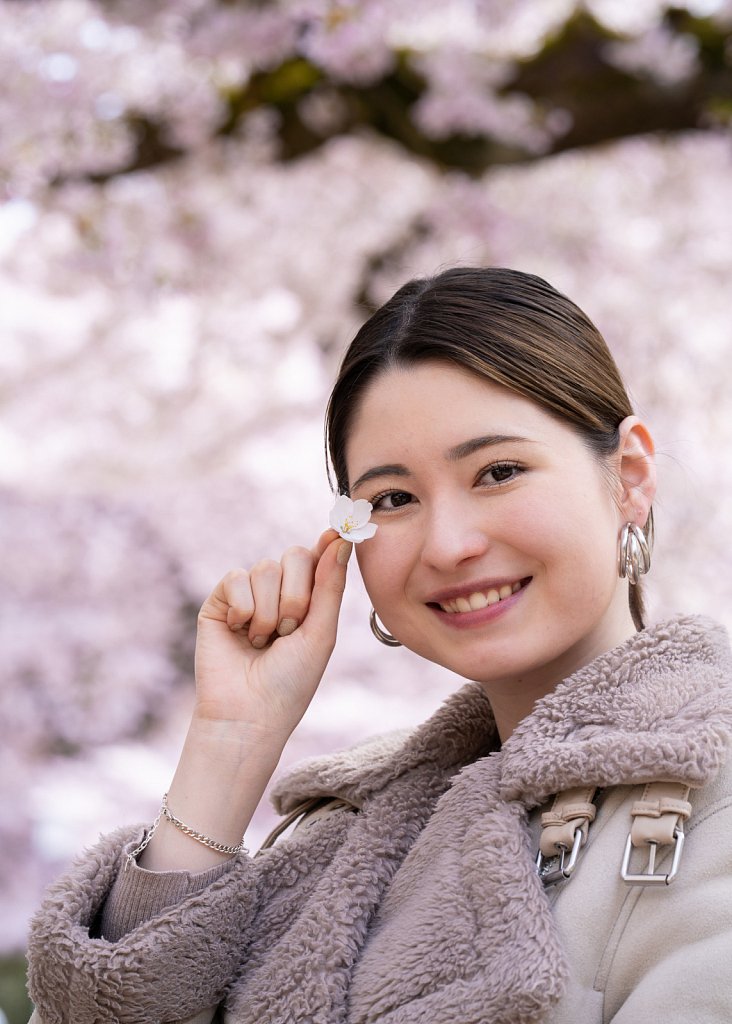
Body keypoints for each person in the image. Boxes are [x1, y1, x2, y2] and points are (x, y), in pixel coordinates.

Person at [27, 267, 732, 1024]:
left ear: (629, 476)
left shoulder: (706, 802)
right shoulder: (343, 838)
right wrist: (228, 746)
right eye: (393, 499)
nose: (450, 545)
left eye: (498, 472)